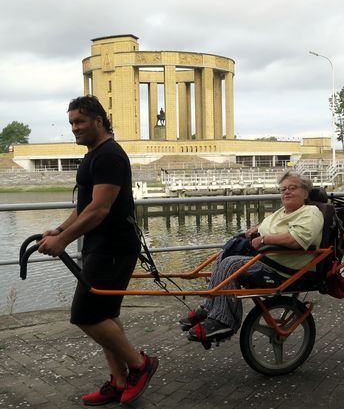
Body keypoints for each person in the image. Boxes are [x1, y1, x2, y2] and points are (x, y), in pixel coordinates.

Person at [37, 95, 157, 405]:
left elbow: (100, 209)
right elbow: (86, 207)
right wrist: (61, 230)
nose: (74, 128)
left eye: (80, 122)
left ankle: (139, 365)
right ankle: (118, 382)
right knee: (105, 315)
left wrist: (63, 242)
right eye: (71, 123)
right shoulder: (94, 155)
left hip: (114, 247)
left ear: (98, 121)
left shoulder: (109, 156)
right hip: (101, 246)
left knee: (85, 315)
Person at [181, 171, 324, 341]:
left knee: (230, 265)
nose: (286, 192)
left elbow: (296, 240)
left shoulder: (310, 212)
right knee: (223, 256)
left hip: (284, 269)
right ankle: (209, 308)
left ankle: (222, 321)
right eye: (283, 189)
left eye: (292, 188)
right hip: (266, 259)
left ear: (305, 193)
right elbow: (269, 226)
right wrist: (256, 230)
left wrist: (264, 239)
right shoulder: (282, 212)